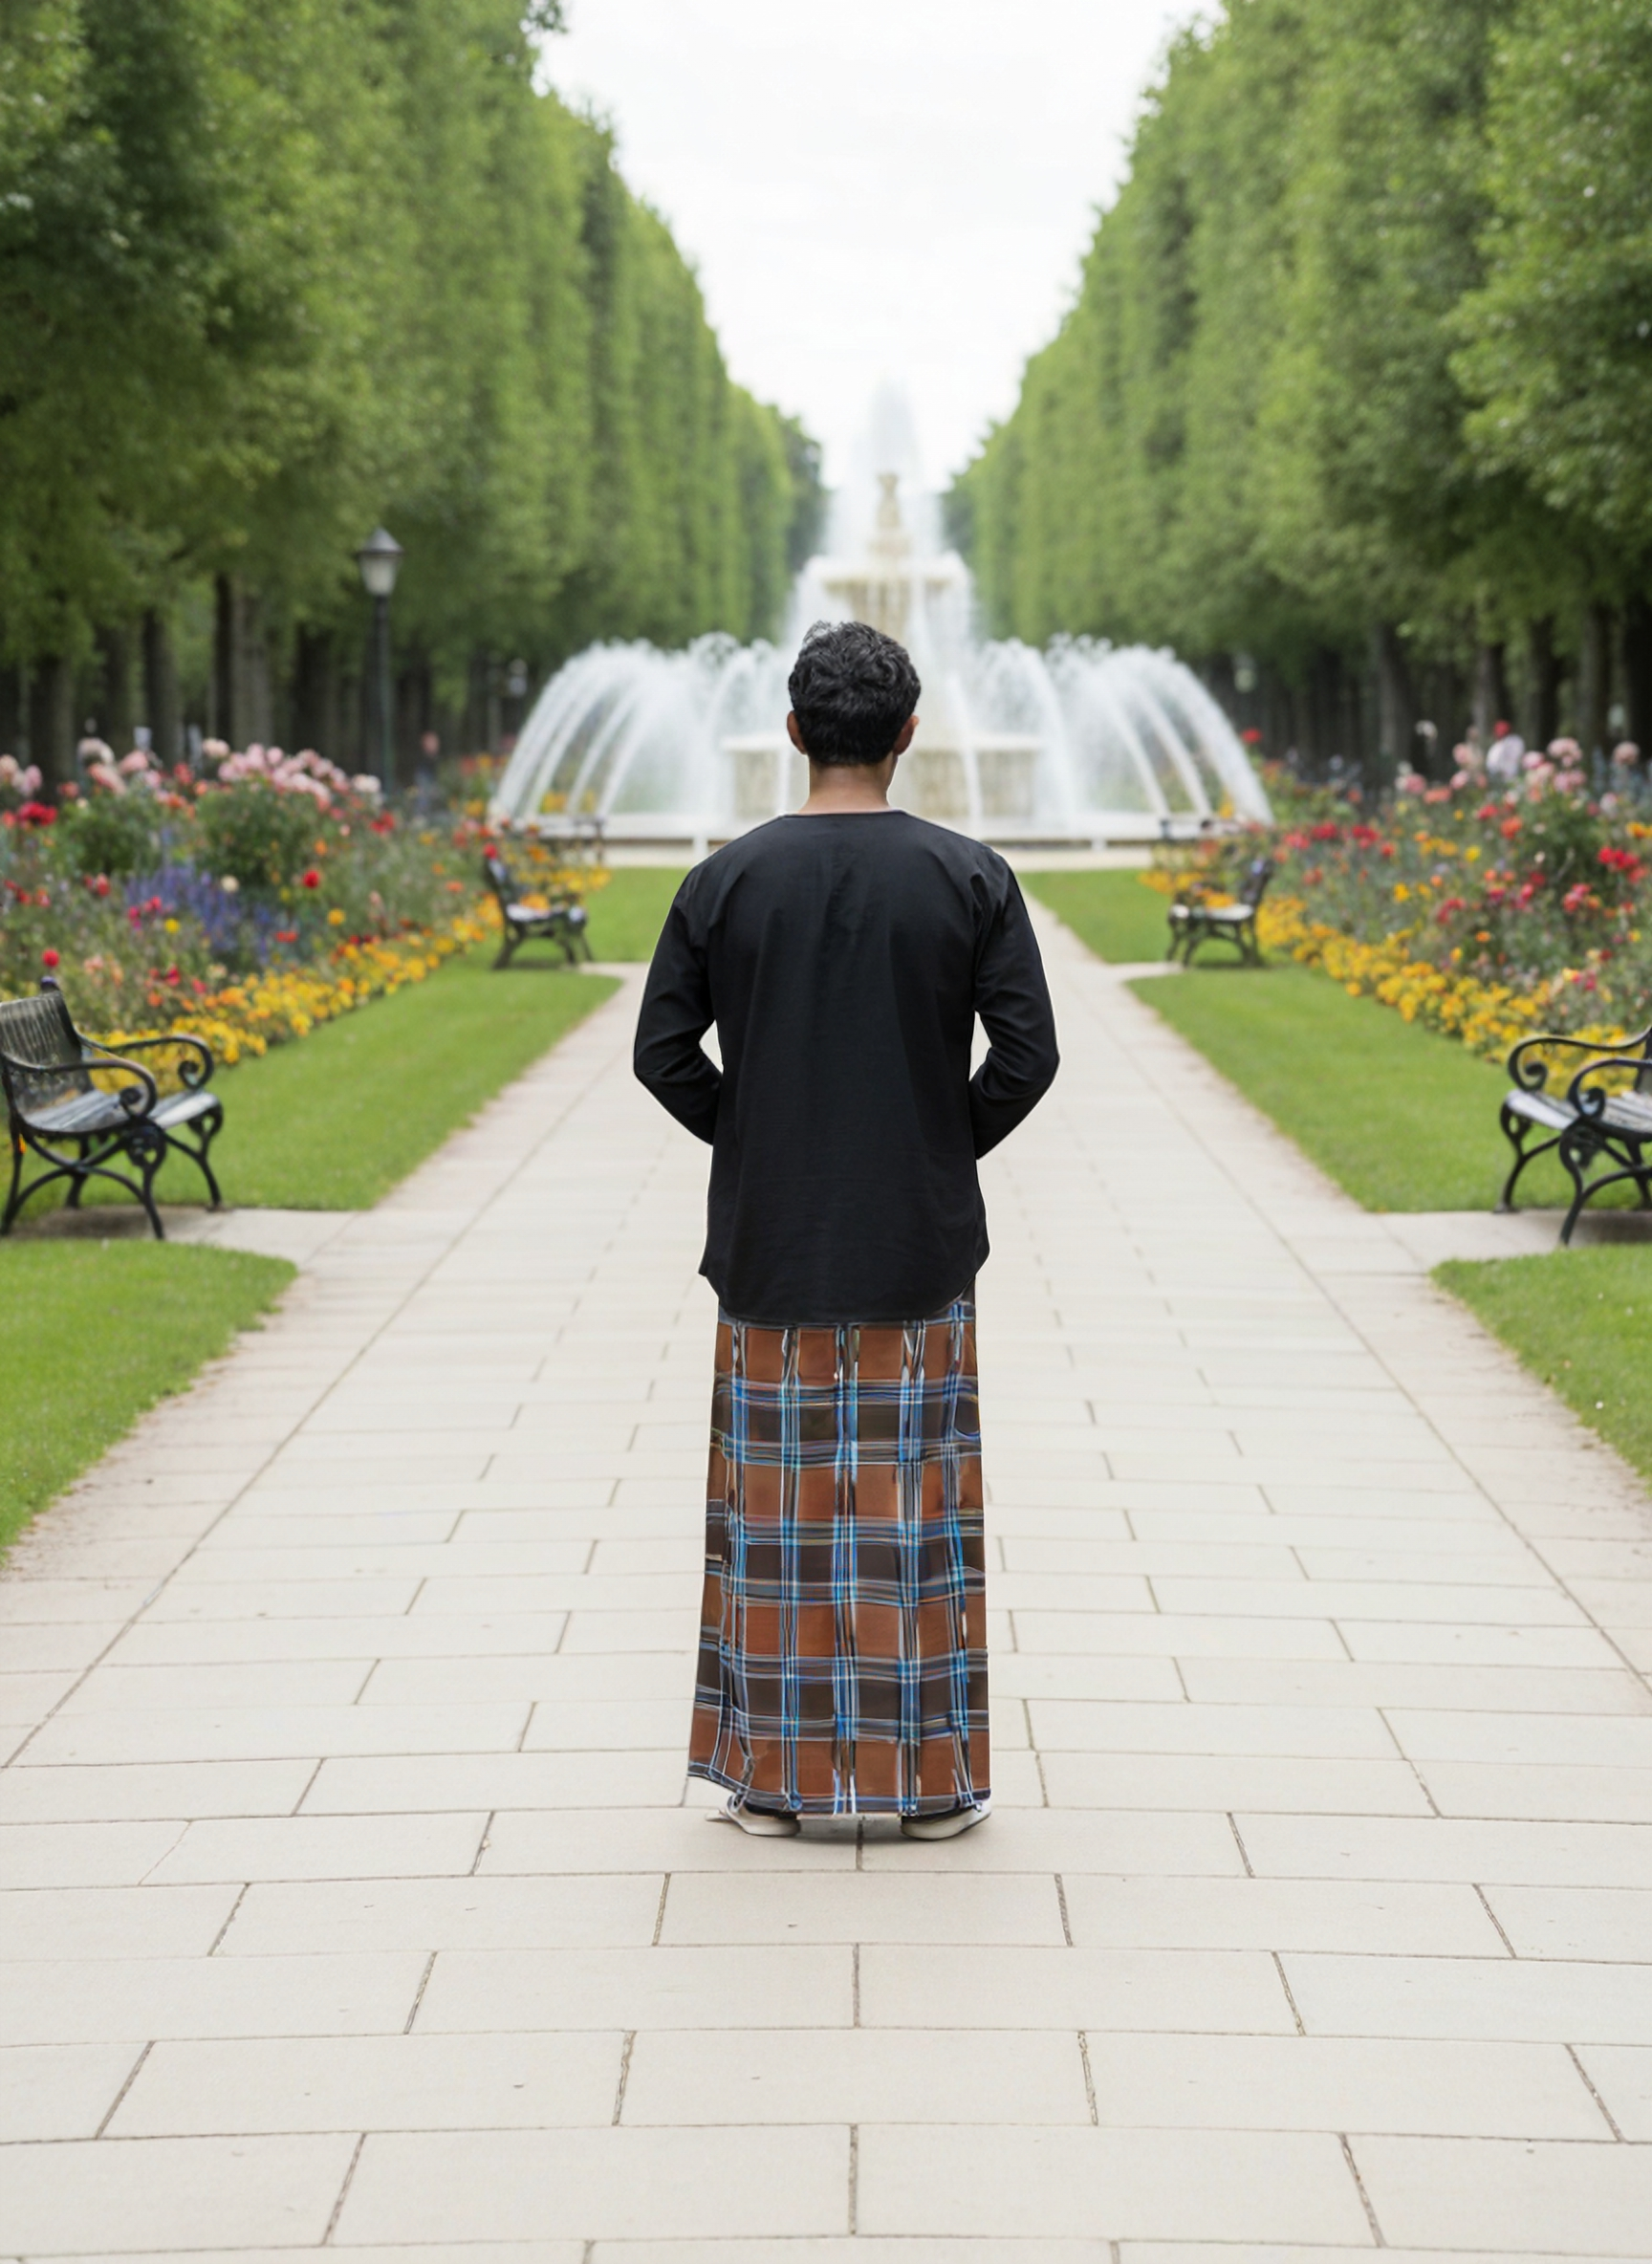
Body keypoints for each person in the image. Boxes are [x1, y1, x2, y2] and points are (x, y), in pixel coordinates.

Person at [635, 619, 1058, 1840]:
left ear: (793, 731)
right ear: (910, 736)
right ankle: (929, 1786)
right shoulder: (969, 873)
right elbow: (1029, 1056)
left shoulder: (725, 879)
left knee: (773, 1521)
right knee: (913, 1516)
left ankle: (770, 1781)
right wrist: (933, 1140)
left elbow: (662, 1053)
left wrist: (756, 1133)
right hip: (916, 1247)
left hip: (771, 1243)